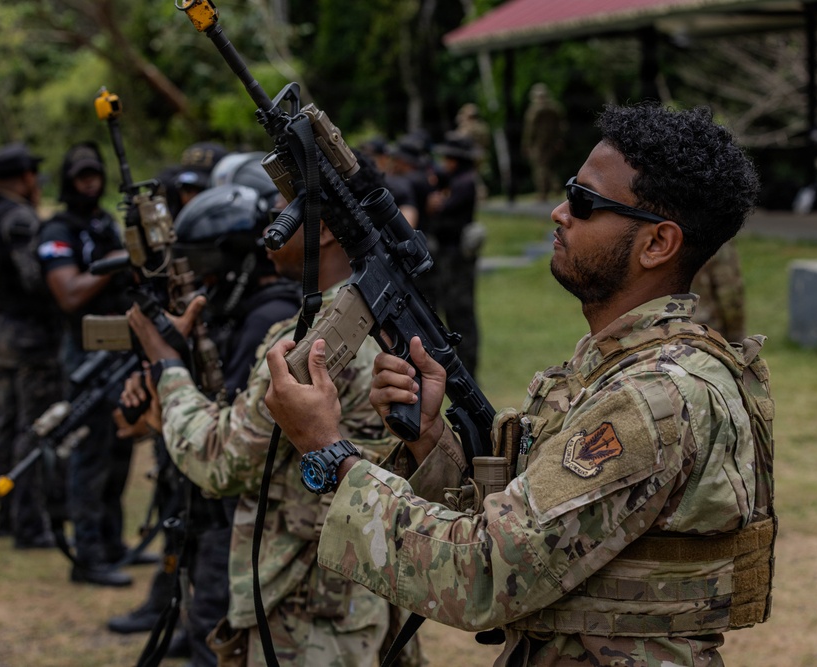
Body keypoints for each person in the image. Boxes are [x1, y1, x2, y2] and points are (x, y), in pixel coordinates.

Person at [264, 103, 775, 666]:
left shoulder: (654, 397)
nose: (560, 212)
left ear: (657, 244)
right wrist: (431, 439)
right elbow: (526, 524)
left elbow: (487, 573)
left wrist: (328, 452)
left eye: (583, 201)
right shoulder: (618, 367)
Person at [123, 151, 396, 667]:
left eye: (280, 213)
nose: (269, 228)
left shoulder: (317, 343)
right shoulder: (382, 313)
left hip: (302, 614)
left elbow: (222, 460)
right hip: (351, 599)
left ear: (326, 229)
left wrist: (167, 366)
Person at [108, 179, 302, 667]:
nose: (201, 279)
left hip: (236, 504)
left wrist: (168, 366)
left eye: (207, 264)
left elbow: (228, 426)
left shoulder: (271, 318)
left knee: (215, 628)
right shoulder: (239, 310)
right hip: (214, 500)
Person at [36, 141, 142, 587]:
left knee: (120, 448)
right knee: (90, 453)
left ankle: (113, 543)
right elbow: (68, 293)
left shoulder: (104, 224)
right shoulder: (57, 230)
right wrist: (116, 262)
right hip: (86, 353)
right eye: (82, 177)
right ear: (68, 181)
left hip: (123, 347)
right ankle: (88, 555)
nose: (90, 184)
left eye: (95, 175)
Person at [0, 142, 64, 547]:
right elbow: (34, 279)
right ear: (26, 178)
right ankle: (28, 522)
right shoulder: (19, 218)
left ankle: (6, 513)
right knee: (33, 427)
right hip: (28, 337)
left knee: (4, 424)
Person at [424, 133, 482, 376]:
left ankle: (468, 369)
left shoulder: (464, 183)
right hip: (450, 256)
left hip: (457, 258)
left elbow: (443, 213)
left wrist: (434, 205)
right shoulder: (457, 180)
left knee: (460, 314)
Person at [691, 240, 746, 343]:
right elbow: (729, 294)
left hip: (666, 330)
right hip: (708, 334)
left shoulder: (663, 235)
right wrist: (736, 339)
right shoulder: (717, 236)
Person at [522, 83, 567, 201]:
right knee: (550, 166)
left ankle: (544, 193)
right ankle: (555, 188)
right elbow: (562, 126)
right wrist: (559, 140)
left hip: (538, 143)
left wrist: (527, 144)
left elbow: (530, 129)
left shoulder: (533, 110)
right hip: (552, 141)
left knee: (540, 167)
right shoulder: (555, 108)